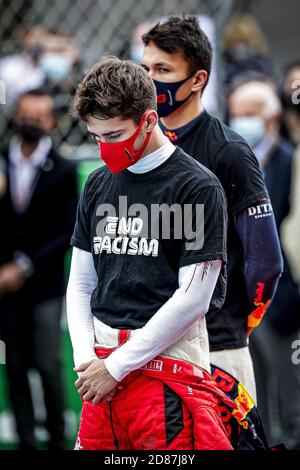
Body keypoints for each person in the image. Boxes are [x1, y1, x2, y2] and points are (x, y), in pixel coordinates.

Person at [67, 56, 233, 451]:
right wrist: (88, 359)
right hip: (100, 375)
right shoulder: (97, 183)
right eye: (96, 136)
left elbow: (194, 298)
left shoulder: (197, 186)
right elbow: (81, 281)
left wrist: (116, 366)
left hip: (165, 374)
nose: (104, 146)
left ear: (147, 121)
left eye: (113, 135)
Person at [141, 16, 283, 401]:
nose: (150, 79)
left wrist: (244, 322)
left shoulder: (229, 152)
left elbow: (266, 262)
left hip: (216, 350)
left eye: (163, 69)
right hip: (143, 348)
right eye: (146, 68)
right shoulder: (135, 149)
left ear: (198, 79)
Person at [0, 89, 78, 449]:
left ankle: (59, 439)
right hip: (5, 286)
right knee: (14, 365)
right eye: (25, 115)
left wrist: (25, 266)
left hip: (44, 284)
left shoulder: (63, 169)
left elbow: (67, 231)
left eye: (39, 116)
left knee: (47, 363)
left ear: (51, 122)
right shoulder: (2, 161)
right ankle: (27, 438)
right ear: (15, 117)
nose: (31, 122)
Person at [228, 80, 300, 449]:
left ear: (271, 118)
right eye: (236, 114)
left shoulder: (290, 160)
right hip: (243, 300)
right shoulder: (234, 161)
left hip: (283, 297)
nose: (239, 122)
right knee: (255, 393)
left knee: (290, 391)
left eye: (248, 115)